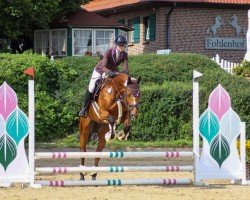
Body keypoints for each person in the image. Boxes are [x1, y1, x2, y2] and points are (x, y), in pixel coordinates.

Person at [79, 35, 129, 117]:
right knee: (92, 87)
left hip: (112, 72)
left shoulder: (124, 55)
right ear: (116, 45)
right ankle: (84, 108)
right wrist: (109, 72)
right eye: (120, 45)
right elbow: (103, 66)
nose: (121, 47)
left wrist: (126, 78)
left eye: (123, 45)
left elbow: (125, 69)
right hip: (100, 70)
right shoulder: (109, 51)